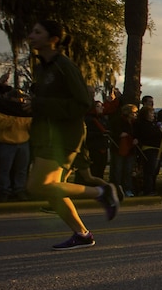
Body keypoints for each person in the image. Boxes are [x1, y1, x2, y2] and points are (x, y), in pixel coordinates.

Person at [24, 20, 119, 250]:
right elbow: (46, 103)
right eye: (32, 31)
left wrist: (40, 104)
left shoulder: (64, 65)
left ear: (53, 39)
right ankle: (83, 235)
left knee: (37, 186)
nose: (31, 36)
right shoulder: (42, 67)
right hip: (46, 134)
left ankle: (101, 191)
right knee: (53, 190)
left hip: (64, 135)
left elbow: (81, 103)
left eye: (38, 32)